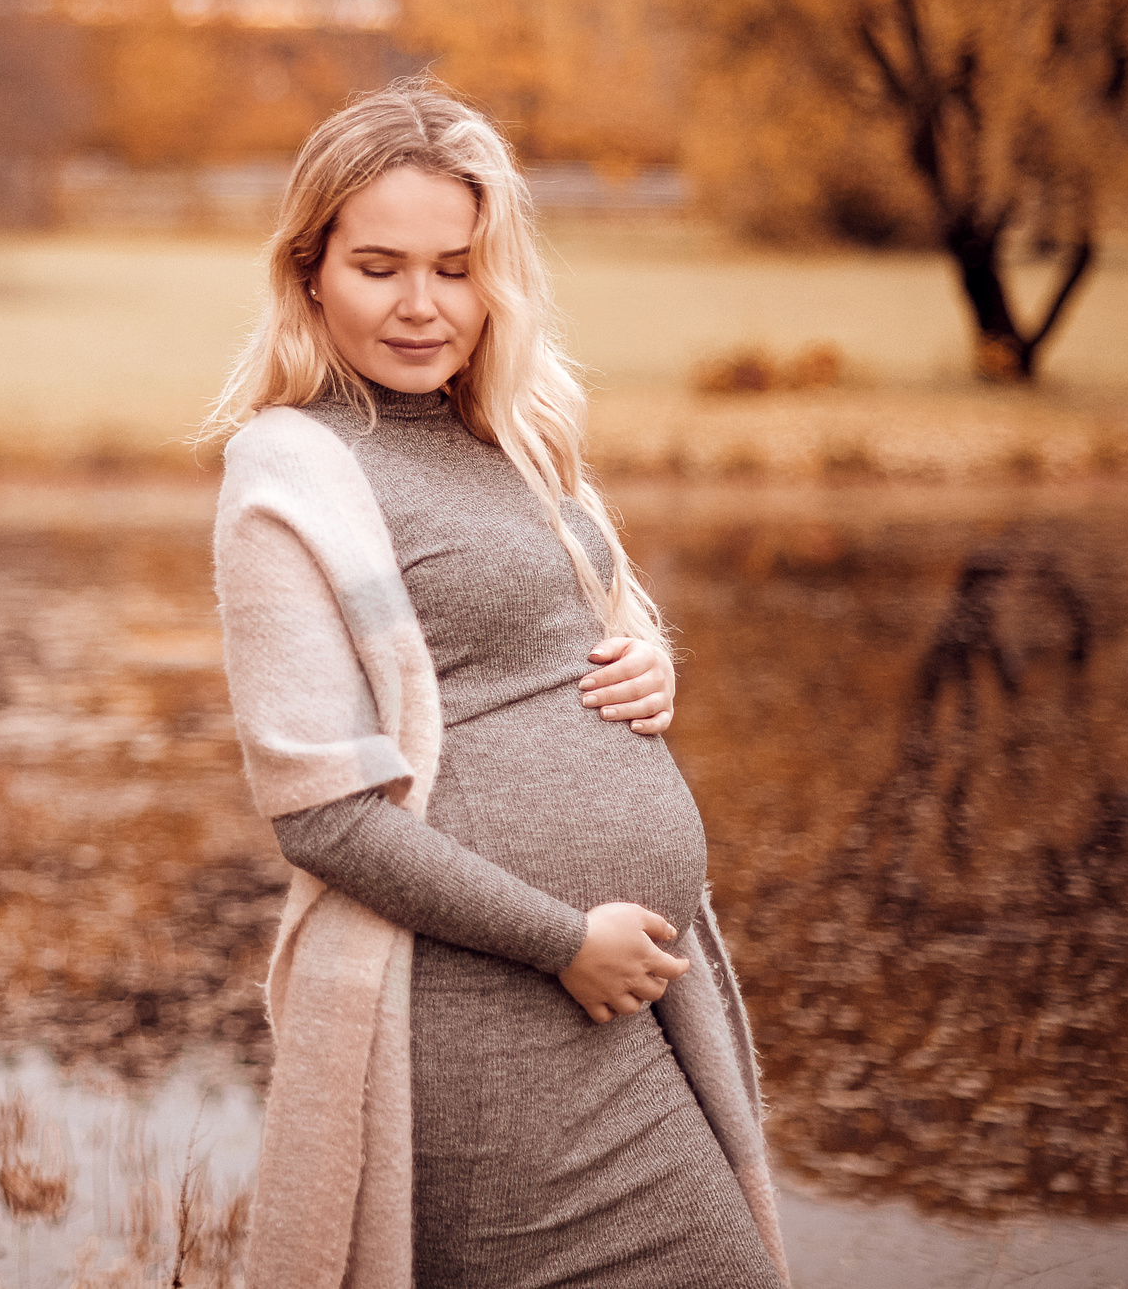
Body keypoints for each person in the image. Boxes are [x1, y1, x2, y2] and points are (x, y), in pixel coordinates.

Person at [207, 82, 789, 1289]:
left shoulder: (510, 431)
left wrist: (645, 653)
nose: (422, 305)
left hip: (617, 1005)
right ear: (309, 270)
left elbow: (554, 622)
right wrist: (563, 937)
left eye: (456, 267)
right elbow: (321, 812)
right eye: (378, 266)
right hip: (481, 1014)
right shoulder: (294, 464)